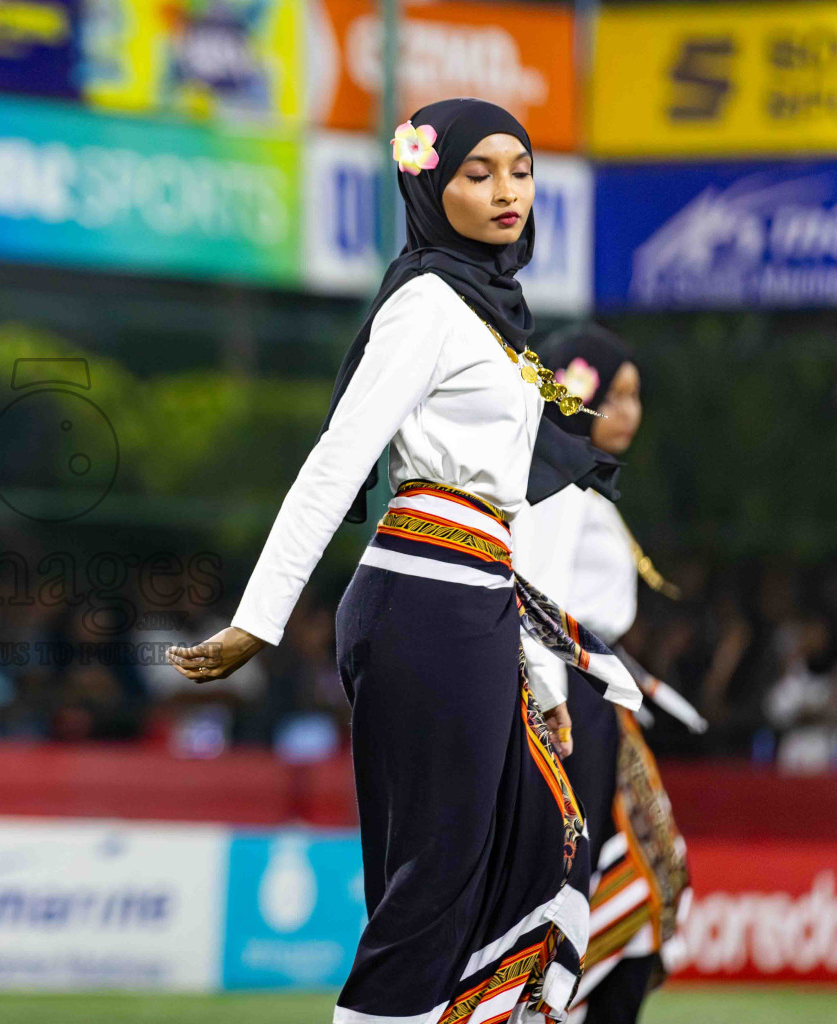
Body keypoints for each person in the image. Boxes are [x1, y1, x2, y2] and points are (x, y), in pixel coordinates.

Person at [168, 99, 641, 1023]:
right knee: (436, 877)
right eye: (477, 173)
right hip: (423, 592)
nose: (508, 191)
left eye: (520, 168)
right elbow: (336, 460)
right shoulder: (426, 302)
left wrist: (542, 679)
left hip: (470, 599)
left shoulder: (489, 312)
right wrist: (257, 620)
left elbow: (510, 536)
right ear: (429, 186)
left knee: (503, 854)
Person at [515, 326, 693, 1023]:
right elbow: (541, 598)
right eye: (613, 395)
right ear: (577, 393)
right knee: (598, 877)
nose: (629, 413)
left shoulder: (581, 486)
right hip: (571, 695)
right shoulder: (552, 485)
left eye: (635, 397)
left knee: (648, 880)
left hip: (597, 692)